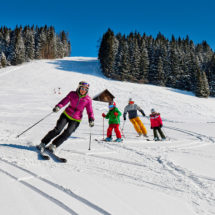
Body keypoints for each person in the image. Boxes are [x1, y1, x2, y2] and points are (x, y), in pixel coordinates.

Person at [38, 81, 95, 152]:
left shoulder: (88, 99)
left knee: (67, 133)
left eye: (85, 89)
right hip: (66, 115)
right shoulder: (72, 94)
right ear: (79, 88)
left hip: (76, 119)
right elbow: (64, 101)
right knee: (57, 130)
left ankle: (54, 145)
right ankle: (43, 143)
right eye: (82, 88)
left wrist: (91, 119)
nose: (83, 90)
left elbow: (90, 111)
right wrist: (58, 106)